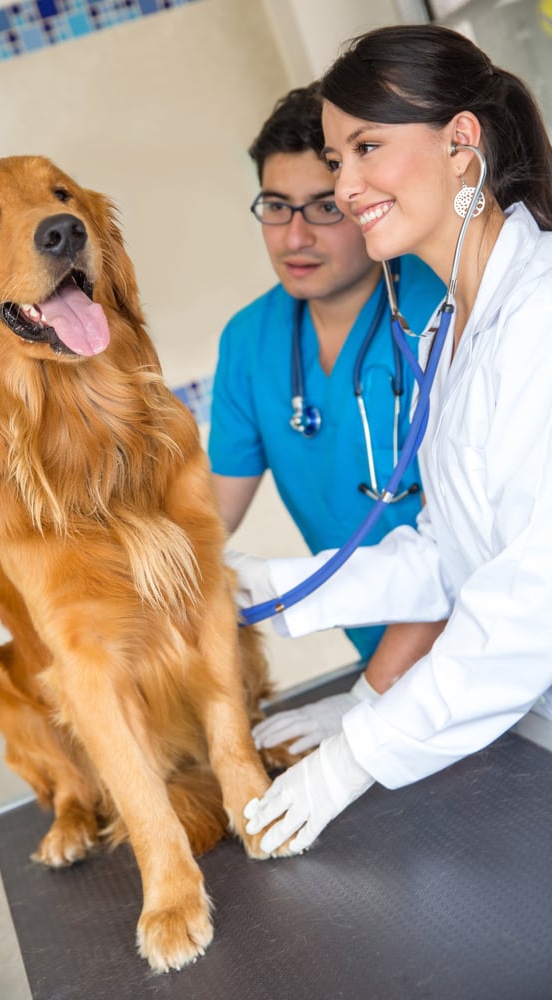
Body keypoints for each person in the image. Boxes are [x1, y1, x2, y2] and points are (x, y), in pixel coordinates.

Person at [232, 23, 552, 856]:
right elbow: (448, 555)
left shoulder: (542, 318)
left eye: (367, 147)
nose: (345, 187)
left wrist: (350, 758)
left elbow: (528, 602)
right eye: (338, 159)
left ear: (459, 143)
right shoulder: (451, 328)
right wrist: (268, 590)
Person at [208, 83, 446, 688]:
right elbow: (205, 519)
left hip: (486, 648)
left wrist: (367, 705)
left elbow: (460, 549)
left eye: (324, 207)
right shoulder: (249, 342)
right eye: (276, 206)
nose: (294, 237)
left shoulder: (440, 306)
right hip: (386, 665)